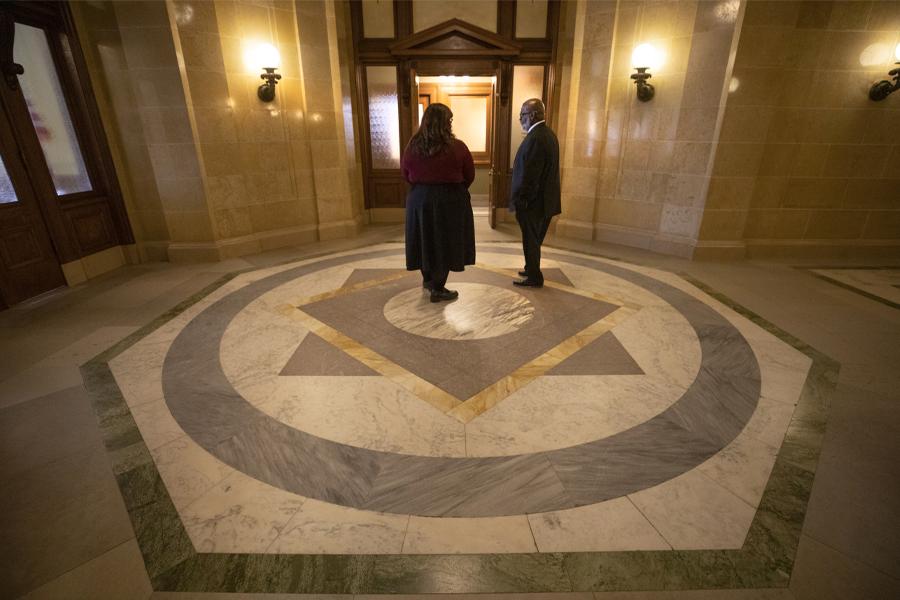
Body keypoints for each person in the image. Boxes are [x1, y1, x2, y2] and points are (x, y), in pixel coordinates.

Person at [401, 103, 476, 302]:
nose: (451, 125)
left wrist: (424, 188)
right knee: (445, 242)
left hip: (420, 201)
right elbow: (469, 175)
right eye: (449, 121)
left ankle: (428, 280)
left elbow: (406, 174)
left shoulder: (412, 146)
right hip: (450, 201)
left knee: (424, 240)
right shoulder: (457, 147)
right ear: (443, 123)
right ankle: (438, 287)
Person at [508, 98, 561, 288]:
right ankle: (531, 268)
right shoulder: (548, 134)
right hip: (544, 202)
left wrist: (522, 200)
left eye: (522, 114)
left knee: (531, 240)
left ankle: (535, 277)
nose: (520, 118)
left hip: (533, 204)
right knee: (534, 239)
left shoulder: (536, 138)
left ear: (532, 115)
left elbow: (530, 176)